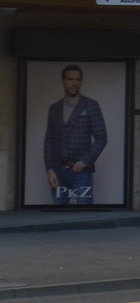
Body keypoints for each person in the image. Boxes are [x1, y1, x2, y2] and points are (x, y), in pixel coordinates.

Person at [43, 64, 108, 205]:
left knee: (85, 215)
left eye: (78, 79)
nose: (74, 83)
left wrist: (84, 162)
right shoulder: (54, 108)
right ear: (63, 81)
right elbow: (49, 140)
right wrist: (49, 169)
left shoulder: (91, 105)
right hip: (58, 171)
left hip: (81, 173)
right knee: (58, 216)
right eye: (70, 79)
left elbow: (101, 137)